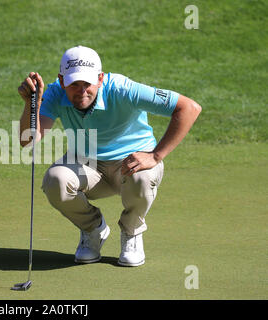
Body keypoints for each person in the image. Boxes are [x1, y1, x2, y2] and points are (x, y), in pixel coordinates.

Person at [17, 45, 201, 267]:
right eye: (74, 83)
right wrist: (31, 104)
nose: (81, 90)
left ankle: (131, 232)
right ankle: (94, 229)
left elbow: (189, 108)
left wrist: (155, 156)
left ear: (100, 78)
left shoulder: (124, 89)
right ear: (62, 80)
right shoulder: (56, 93)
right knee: (55, 180)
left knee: (142, 176)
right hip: (87, 167)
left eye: (87, 83)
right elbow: (28, 139)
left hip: (130, 165)